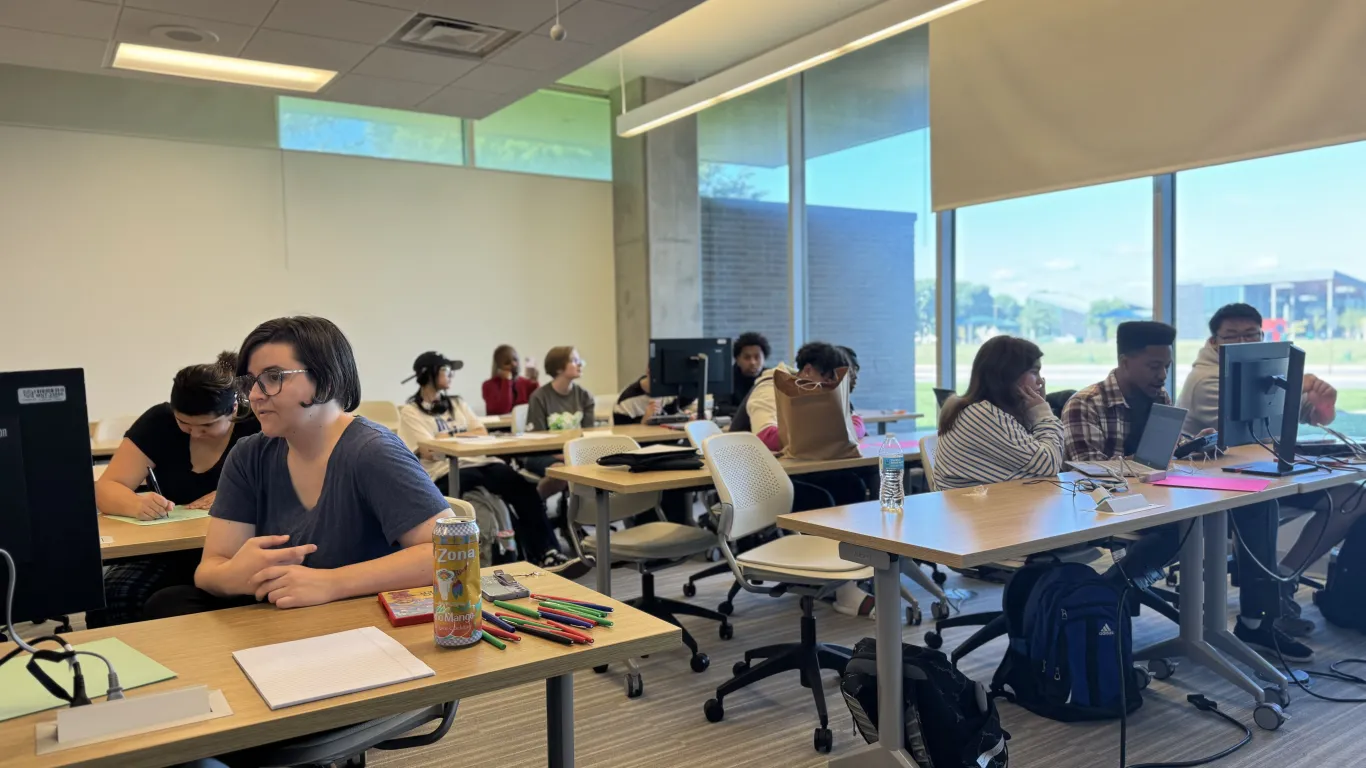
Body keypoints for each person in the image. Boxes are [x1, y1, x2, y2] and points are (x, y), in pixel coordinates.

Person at [144, 316, 450, 619]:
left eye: (274, 377)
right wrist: (235, 575)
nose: (254, 395)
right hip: (282, 614)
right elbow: (209, 571)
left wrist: (332, 583)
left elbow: (447, 554)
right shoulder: (249, 456)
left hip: (355, 621)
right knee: (168, 603)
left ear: (326, 380)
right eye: (250, 382)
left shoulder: (372, 452)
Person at [1063, 321, 1311, 660]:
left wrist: (1190, 447)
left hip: (1163, 497)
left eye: (1166, 366)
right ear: (1124, 361)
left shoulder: (1158, 396)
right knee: (1191, 522)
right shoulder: (1086, 404)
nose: (1162, 375)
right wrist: (1142, 465)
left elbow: (1163, 451)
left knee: (1257, 502)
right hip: (1115, 507)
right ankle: (1113, 589)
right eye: (1154, 366)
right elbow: (1086, 474)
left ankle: (1257, 620)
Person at [1178, 302, 1362, 633]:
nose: (1243, 343)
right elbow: (1256, 426)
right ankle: (1261, 612)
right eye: (1231, 336)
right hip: (1214, 491)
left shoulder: (1256, 372)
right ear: (1215, 341)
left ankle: (1283, 579)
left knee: (1352, 497)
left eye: (1251, 334)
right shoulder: (1205, 380)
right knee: (1263, 507)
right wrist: (1294, 384)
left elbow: (1307, 415)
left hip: (1258, 476)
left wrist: (1323, 406)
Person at [88, 352, 261, 627]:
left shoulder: (257, 426)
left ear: (233, 411)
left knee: (172, 606)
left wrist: (234, 496)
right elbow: (107, 487)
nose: (194, 433)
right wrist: (136, 504)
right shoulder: (160, 422)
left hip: (234, 548)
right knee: (113, 596)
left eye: (207, 425)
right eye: (185, 423)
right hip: (168, 547)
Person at [397, 351, 581, 573]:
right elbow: (427, 450)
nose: (451, 375)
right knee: (488, 497)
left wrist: (447, 438)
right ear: (428, 374)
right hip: (445, 471)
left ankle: (547, 553)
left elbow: (481, 430)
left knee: (522, 488)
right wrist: (462, 436)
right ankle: (514, 556)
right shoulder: (411, 411)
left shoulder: (457, 403)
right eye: (446, 370)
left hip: (481, 461)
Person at [730, 340, 874, 618]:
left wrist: (831, 427)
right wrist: (821, 429)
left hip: (796, 471)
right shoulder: (769, 388)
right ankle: (841, 585)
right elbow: (765, 437)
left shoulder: (816, 391)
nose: (831, 390)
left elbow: (855, 422)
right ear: (808, 371)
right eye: (827, 381)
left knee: (852, 484)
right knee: (824, 499)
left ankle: (847, 574)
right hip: (755, 479)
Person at [934, 336, 1064, 490]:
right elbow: (1049, 464)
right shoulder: (983, 416)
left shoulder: (984, 411)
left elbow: (1035, 470)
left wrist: (1030, 414)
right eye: (1034, 372)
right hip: (976, 510)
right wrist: (1043, 415)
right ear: (1009, 375)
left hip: (984, 506)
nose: (1040, 381)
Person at [522, 346, 596, 499]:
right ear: (558, 368)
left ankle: (580, 513)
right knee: (563, 471)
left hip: (573, 453)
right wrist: (565, 455)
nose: (580, 364)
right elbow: (536, 441)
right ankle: (536, 502)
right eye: (574, 361)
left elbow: (590, 434)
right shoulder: (539, 397)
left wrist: (573, 454)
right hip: (542, 454)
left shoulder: (584, 396)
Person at [719, 332, 770, 417]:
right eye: (747, 358)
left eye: (757, 357)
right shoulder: (726, 378)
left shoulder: (770, 377)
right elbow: (721, 408)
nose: (753, 362)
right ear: (737, 359)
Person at [612, 372, 692, 425]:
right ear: (649, 371)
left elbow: (689, 406)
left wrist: (689, 413)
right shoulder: (626, 402)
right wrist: (644, 422)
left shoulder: (675, 390)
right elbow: (622, 437)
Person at [482, 344, 539, 416]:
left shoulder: (525, 383)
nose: (514, 364)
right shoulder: (488, 385)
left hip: (522, 426)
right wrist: (506, 381)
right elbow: (503, 410)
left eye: (515, 360)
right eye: (507, 363)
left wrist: (534, 382)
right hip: (500, 426)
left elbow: (537, 407)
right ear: (498, 367)